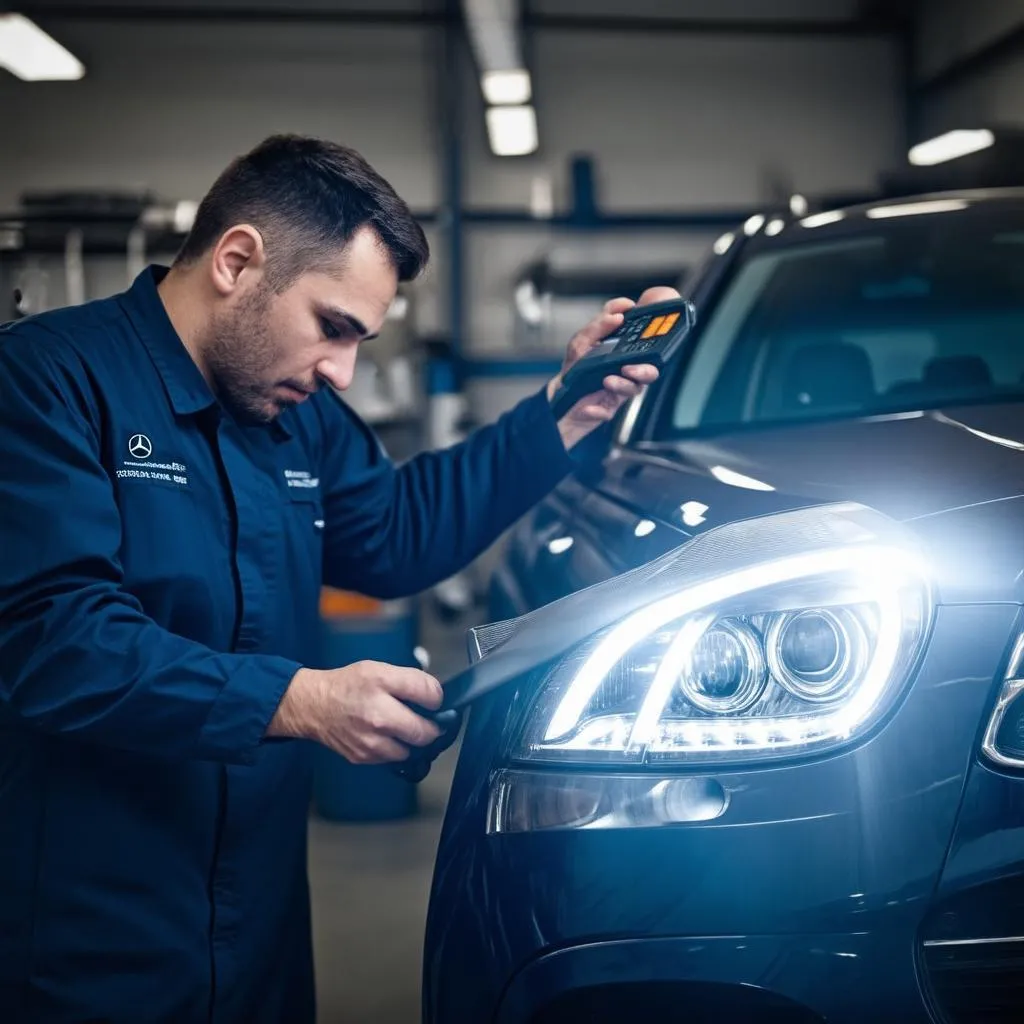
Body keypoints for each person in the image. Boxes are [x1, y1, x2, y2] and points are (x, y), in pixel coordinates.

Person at [0, 134, 677, 1023]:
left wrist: (565, 412)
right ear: (238, 262)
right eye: (333, 327)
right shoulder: (47, 381)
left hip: (261, 938)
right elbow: (55, 639)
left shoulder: (297, 417)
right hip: (88, 944)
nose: (343, 372)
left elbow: (396, 534)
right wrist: (304, 702)